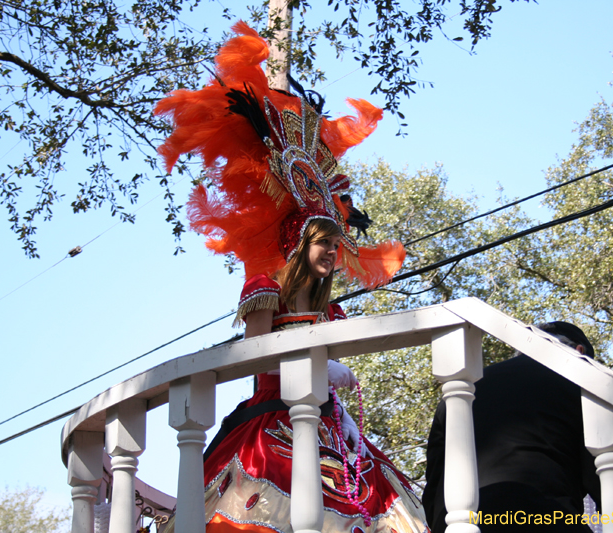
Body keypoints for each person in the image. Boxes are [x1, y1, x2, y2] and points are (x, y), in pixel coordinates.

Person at [155, 21, 427, 533]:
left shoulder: (331, 310)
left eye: (335, 241)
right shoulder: (264, 291)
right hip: (273, 419)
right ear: (299, 246)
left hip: (330, 425)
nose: (333, 250)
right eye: (322, 242)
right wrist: (316, 371)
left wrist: (331, 378)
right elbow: (253, 356)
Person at [422, 322, 613, 533]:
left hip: (458, 524)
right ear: (580, 352)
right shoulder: (581, 386)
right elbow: (610, 481)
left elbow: (434, 480)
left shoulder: (463, 387)